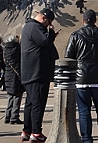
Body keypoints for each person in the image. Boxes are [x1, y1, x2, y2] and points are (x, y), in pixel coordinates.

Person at [65, 9, 98, 143]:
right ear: (95, 20)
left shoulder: (75, 35)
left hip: (81, 79)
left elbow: (68, 57)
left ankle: (87, 139)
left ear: (83, 20)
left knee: (84, 111)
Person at [21, 8, 58, 142]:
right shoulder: (35, 27)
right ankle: (36, 132)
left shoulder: (28, 26)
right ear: (44, 18)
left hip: (29, 72)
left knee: (30, 103)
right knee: (38, 103)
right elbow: (45, 42)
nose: (48, 26)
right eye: (48, 23)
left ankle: (27, 130)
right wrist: (52, 32)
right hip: (37, 72)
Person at [2, 34, 25, 125]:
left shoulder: (6, 49)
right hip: (15, 76)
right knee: (17, 96)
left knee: (10, 96)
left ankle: (7, 115)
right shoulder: (17, 49)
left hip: (8, 74)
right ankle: (14, 116)